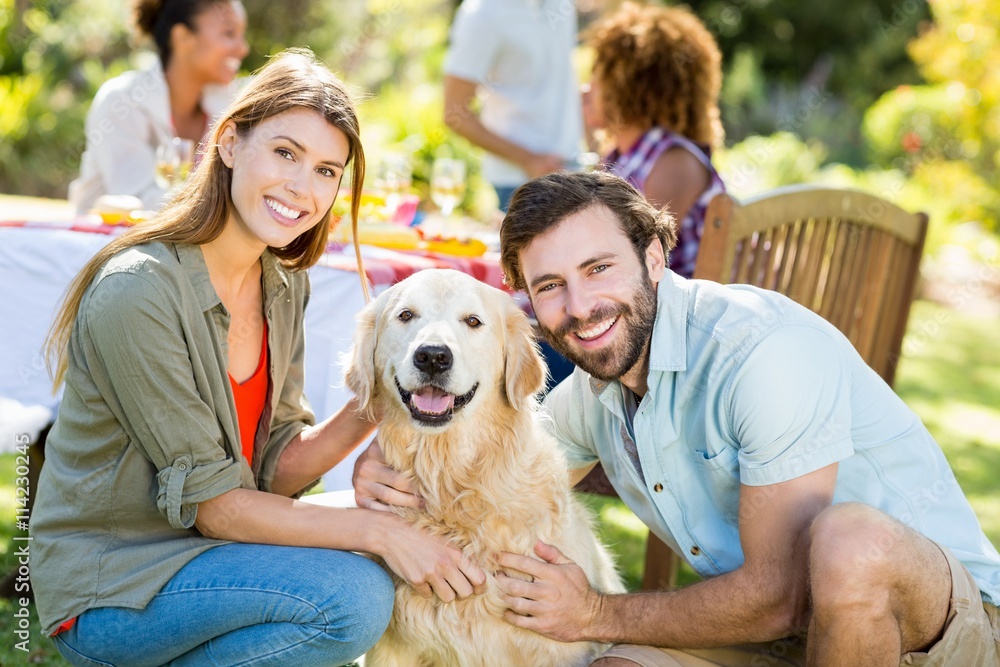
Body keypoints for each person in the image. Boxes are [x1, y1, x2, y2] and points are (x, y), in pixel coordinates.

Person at [356, 171, 1000, 666]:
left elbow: (778, 593)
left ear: (656, 256)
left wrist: (594, 612)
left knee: (848, 545)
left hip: (933, 630)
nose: (580, 306)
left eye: (598, 268)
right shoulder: (594, 392)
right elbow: (494, 460)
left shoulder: (761, 352)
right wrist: (379, 467)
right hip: (773, 639)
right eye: (550, 285)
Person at [33, 49, 486, 667]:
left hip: (208, 556)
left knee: (406, 539)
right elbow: (218, 508)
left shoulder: (281, 282)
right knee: (350, 596)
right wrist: (378, 531)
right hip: (114, 584)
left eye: (328, 170)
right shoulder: (138, 290)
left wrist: (383, 396)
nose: (303, 188)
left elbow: (274, 470)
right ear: (228, 143)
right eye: (285, 153)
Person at [584, 1, 726, 278]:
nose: (586, 88)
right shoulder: (621, 155)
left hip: (682, 314)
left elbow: (633, 259)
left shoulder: (673, 162)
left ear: (631, 87)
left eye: (599, 76)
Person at [68, 0, 250, 214]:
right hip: (104, 242)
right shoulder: (122, 102)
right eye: (229, 33)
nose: (243, 48)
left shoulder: (229, 106)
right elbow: (139, 201)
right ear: (183, 37)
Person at [442, 0, 583, 212]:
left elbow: (566, 83)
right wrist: (529, 160)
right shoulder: (482, 13)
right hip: (519, 184)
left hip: (574, 172)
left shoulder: (562, 4)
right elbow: (454, 113)